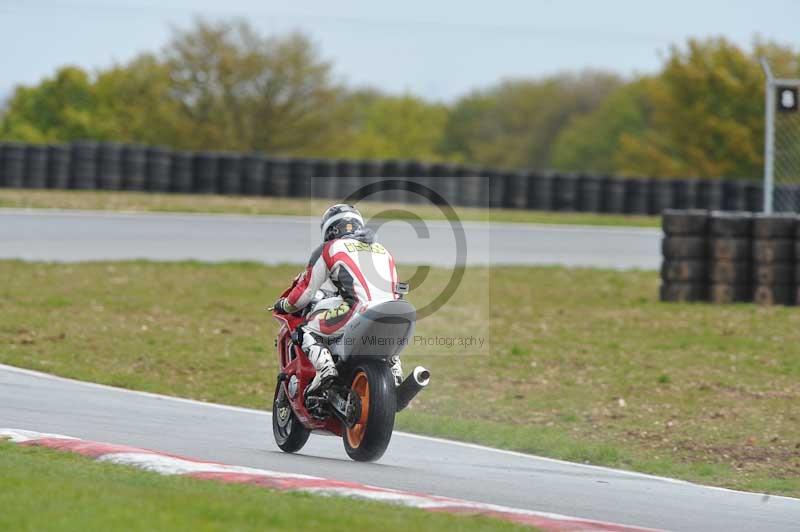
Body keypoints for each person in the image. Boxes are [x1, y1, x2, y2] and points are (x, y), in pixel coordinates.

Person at [274, 204, 403, 395]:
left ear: (330, 229)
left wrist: (283, 304)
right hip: (396, 311)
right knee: (388, 342)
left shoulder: (328, 248)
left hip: (356, 310)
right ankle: (396, 374)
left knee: (306, 330)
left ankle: (326, 369)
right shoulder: (383, 250)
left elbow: (304, 294)